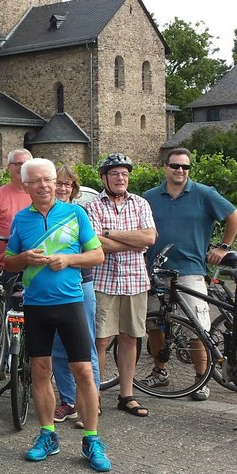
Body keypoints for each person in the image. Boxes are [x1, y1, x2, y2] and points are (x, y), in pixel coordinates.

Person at [4, 157, 109, 472]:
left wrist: (68, 259)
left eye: (47, 179)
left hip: (70, 302)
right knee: (39, 370)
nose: (43, 185)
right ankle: (48, 435)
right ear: (26, 186)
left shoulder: (76, 213)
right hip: (36, 305)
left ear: (55, 182)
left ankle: (92, 439)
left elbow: (98, 254)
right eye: (35, 180)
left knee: (83, 371)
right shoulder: (22, 220)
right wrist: (23, 257)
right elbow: (7, 262)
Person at [142, 147, 237, 401]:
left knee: (197, 329)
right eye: (175, 166)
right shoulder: (149, 197)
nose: (180, 171)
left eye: (185, 167)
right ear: (164, 167)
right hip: (156, 270)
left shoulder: (204, 193)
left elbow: (234, 216)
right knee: (154, 324)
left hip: (190, 270)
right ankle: (159, 371)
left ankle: (201, 379)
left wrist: (223, 247)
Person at [85, 153, 157, 418]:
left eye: (125, 174)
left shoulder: (140, 203)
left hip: (135, 280)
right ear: (104, 177)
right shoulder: (93, 206)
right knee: (101, 340)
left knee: (130, 338)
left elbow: (149, 237)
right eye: (115, 174)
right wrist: (131, 241)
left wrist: (109, 233)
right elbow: (94, 243)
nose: (120, 178)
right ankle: (94, 397)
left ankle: (126, 395)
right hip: (103, 281)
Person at [50, 166, 100, 427]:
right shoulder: (41, 214)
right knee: (58, 347)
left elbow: (94, 250)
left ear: (73, 188)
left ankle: (89, 404)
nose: (62, 188)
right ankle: (68, 402)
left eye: (67, 184)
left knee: (85, 345)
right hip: (51, 289)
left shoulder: (79, 214)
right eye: (58, 183)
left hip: (82, 283)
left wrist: (68, 258)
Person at [0, 148, 33, 271]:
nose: (22, 167)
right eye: (17, 164)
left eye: (26, 164)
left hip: (36, 268)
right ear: (8, 167)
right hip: (4, 269)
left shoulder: (39, 194)